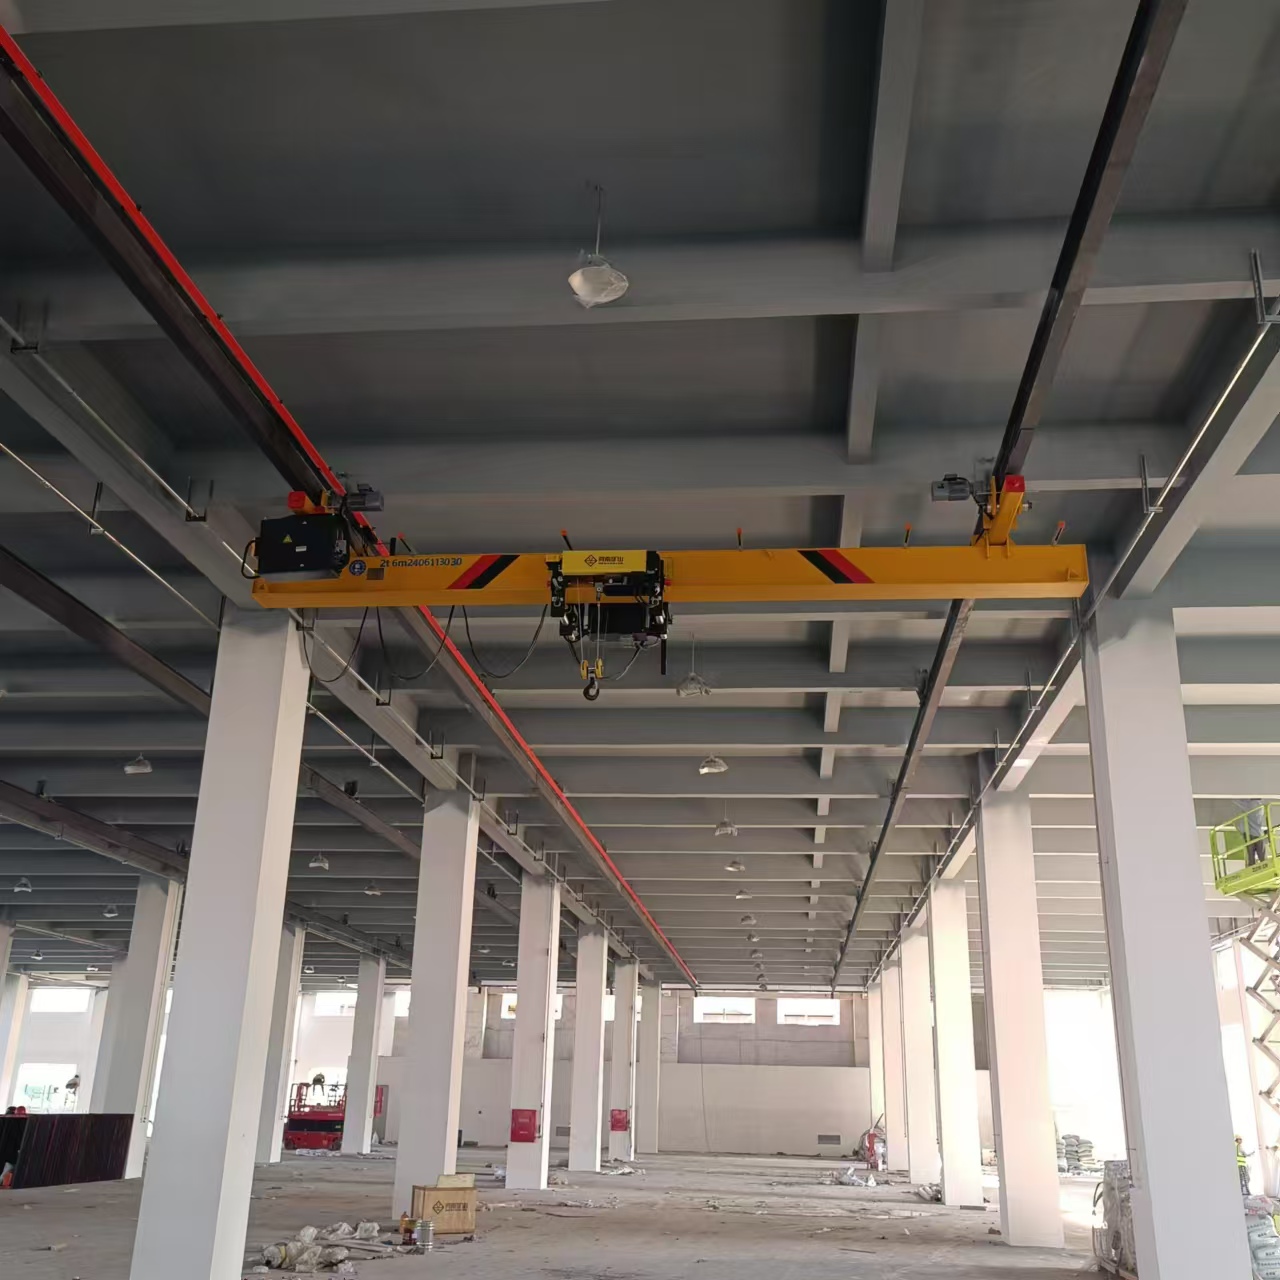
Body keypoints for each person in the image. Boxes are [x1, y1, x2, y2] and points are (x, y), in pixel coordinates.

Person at [1245, 800, 1270, 867]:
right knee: (1261, 856)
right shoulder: (1259, 808)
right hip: (1257, 834)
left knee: (1252, 856)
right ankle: (1264, 865)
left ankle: (1252, 866)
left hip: (1251, 835)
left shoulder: (1251, 808)